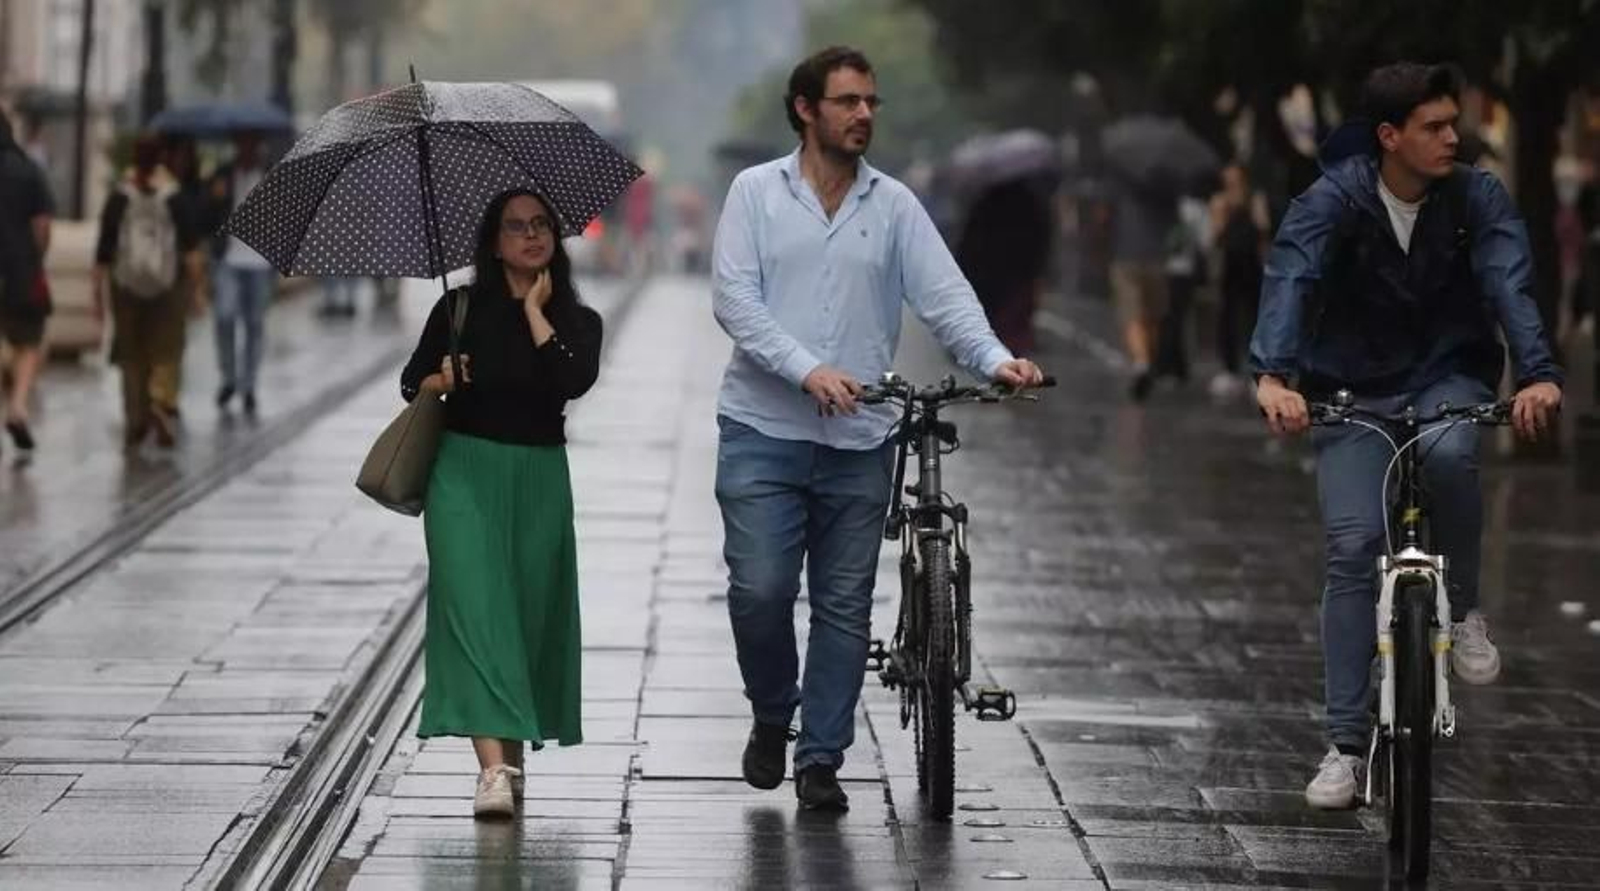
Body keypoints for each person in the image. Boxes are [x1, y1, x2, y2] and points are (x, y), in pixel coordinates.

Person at [712, 46, 1045, 812]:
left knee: (842, 604)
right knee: (759, 591)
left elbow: (946, 296)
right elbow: (735, 301)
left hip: (861, 440)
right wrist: (807, 369)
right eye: (847, 101)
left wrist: (996, 358)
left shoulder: (893, 205)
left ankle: (821, 758)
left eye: (871, 102)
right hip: (763, 429)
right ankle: (772, 711)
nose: (864, 114)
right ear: (805, 108)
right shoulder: (755, 193)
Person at [1249, 62, 1564, 810]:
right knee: (1354, 544)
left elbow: (1508, 284)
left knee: (1451, 456)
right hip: (1352, 389)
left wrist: (1538, 373)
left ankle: (1466, 606)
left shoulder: (1476, 197)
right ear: (1389, 136)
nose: (1454, 137)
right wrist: (1274, 376)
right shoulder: (1334, 200)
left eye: (1454, 122)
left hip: (1449, 376)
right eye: (1435, 126)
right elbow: (1290, 279)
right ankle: (1346, 748)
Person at [399, 188, 602, 819]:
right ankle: (492, 770)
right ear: (494, 241)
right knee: (477, 611)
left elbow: (572, 380)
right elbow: (412, 382)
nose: (531, 236)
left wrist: (538, 315)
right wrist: (440, 378)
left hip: (537, 476)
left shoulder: (576, 319)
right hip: (462, 474)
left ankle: (509, 763)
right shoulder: (457, 308)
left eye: (541, 225)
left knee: (524, 618)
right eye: (516, 227)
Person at [93, 135, 202, 450]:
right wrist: (197, 293)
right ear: (161, 159)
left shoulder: (120, 197)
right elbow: (192, 252)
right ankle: (160, 399)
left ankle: (135, 418)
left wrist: (96, 299)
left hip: (126, 288)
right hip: (167, 289)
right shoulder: (173, 197)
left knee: (131, 356)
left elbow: (102, 254)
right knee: (166, 351)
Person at [206, 132, 277, 417]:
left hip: (260, 263)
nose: (247, 148)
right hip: (228, 259)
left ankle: (248, 386)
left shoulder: (272, 173)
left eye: (252, 143)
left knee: (255, 324)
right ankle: (229, 378)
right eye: (242, 143)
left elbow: (283, 216)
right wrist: (215, 196)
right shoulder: (222, 175)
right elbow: (207, 214)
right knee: (224, 316)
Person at [0, 110, 55, 455]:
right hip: (21, 273)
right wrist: (36, 258)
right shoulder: (29, 171)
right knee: (28, 342)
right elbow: (43, 227)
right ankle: (18, 407)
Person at [954, 177, 1054, 356]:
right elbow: (1041, 238)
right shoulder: (1031, 204)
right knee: (1012, 315)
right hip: (1018, 272)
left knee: (989, 311)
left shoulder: (985, 202)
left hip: (988, 271)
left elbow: (968, 241)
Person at [1109, 172, 1177, 401]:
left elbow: (1105, 218)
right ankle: (1148, 361)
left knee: (1132, 315)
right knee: (1152, 317)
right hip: (1158, 259)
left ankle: (1142, 362)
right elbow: (1173, 224)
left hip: (1127, 257)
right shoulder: (1168, 190)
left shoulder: (1119, 187)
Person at [1209, 163, 1271, 398]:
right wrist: (1223, 212)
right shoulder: (1219, 201)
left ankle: (1257, 373)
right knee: (1227, 317)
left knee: (1254, 318)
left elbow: (1263, 229)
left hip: (1251, 265)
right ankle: (1229, 368)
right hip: (1229, 264)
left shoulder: (1255, 198)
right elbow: (1215, 235)